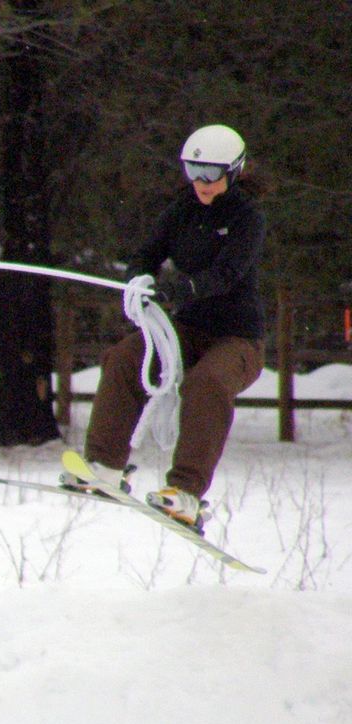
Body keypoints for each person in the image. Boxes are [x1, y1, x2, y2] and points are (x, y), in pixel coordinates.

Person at [63, 124, 266, 530]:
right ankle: (104, 468)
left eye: (211, 173)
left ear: (234, 171)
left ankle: (186, 493)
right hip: (185, 330)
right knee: (124, 358)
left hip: (237, 339)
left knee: (207, 384)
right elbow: (145, 256)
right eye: (193, 171)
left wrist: (181, 288)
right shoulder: (180, 212)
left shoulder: (248, 219)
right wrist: (140, 280)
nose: (201, 183)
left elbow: (226, 274)